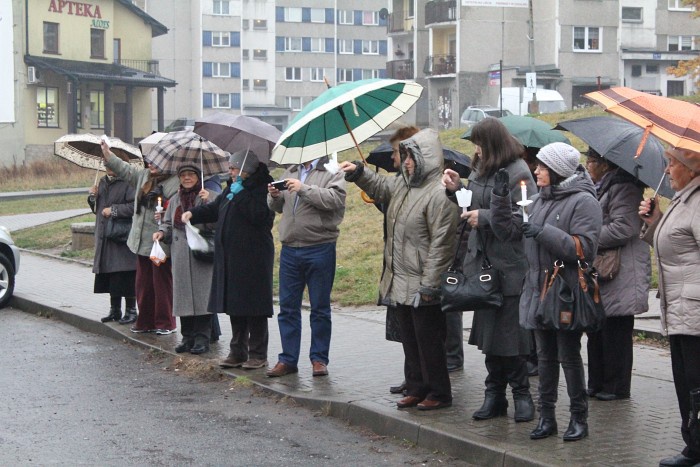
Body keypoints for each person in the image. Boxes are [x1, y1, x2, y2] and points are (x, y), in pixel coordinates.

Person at [341, 128, 458, 410]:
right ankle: (416, 387)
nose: (405, 162)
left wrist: (430, 285)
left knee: (429, 341)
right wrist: (358, 172)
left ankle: (439, 393)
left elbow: (441, 246)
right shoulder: (404, 185)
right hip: (401, 278)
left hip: (423, 282)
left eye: (409, 157)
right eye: (403, 156)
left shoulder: (439, 193)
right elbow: (381, 188)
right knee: (410, 341)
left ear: (424, 158)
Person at [491, 141, 602, 441]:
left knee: (569, 356)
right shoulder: (539, 200)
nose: (536, 170)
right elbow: (508, 231)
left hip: (565, 293)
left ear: (556, 170)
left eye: (541, 166)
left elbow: (584, 248)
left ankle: (579, 417)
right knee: (544, 359)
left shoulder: (583, 201)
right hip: (538, 292)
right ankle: (547, 417)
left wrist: (543, 232)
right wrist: (500, 199)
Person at [442, 117, 537, 422]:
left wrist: (484, 217)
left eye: (480, 144)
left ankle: (522, 396)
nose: (477, 151)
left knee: (510, 338)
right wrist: (457, 189)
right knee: (489, 338)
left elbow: (525, 219)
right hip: (483, 267)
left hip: (510, 268)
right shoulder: (480, 170)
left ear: (492, 143)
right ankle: (494, 396)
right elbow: (469, 203)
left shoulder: (520, 173)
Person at [184, 150, 275, 369]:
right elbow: (216, 209)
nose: (230, 172)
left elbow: (260, 216)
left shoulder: (263, 188)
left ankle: (258, 354)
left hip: (254, 256)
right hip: (231, 256)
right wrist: (194, 213)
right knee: (235, 305)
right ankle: (237, 351)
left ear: (246, 170)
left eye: (233, 168)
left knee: (254, 307)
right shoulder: (231, 189)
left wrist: (241, 193)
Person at [639, 148, 700, 467]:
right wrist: (654, 221)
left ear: (691, 170)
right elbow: (676, 247)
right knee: (685, 381)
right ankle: (693, 446)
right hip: (678, 309)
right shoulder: (684, 199)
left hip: (694, 309)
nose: (668, 168)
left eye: (674, 163)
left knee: (695, 382)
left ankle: (697, 447)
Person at [266, 154, 346, 377]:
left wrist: (303, 188)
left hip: (320, 247)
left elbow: (335, 200)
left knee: (319, 308)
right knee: (287, 308)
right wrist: (273, 196)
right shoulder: (290, 170)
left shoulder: (332, 170)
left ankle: (319, 359)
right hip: (290, 248)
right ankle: (288, 360)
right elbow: (278, 207)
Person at [585, 149, 650, 401]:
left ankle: (616, 386)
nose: (587, 165)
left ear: (604, 165)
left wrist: (588, 236)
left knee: (616, 331)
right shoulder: (601, 186)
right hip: (604, 269)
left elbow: (625, 227)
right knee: (597, 328)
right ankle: (598, 381)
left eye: (591, 161)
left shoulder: (624, 188)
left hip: (622, 271)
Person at [100, 140, 179, 335]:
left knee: (162, 285)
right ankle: (145, 321)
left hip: (160, 243)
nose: (150, 164)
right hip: (140, 241)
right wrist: (108, 155)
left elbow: (176, 207)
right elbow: (125, 170)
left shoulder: (173, 182)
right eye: (148, 161)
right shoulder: (143, 177)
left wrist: (166, 212)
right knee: (143, 284)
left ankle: (165, 322)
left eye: (155, 161)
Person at [153, 165, 217, 354]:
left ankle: (202, 339)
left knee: (202, 297)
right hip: (180, 254)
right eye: (183, 175)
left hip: (201, 252)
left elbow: (216, 223)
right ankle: (187, 337)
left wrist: (208, 203)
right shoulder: (174, 199)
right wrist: (161, 233)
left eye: (191, 175)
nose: (187, 178)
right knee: (182, 298)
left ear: (198, 177)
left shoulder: (208, 196)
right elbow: (167, 223)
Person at [87, 158, 138, 325]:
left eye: (111, 164)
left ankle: (131, 310)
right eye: (106, 164)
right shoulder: (102, 182)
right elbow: (98, 209)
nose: (108, 167)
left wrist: (114, 210)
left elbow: (134, 207)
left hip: (121, 235)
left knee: (125, 273)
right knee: (110, 273)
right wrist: (92, 198)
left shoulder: (128, 182)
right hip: (105, 236)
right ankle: (114, 310)